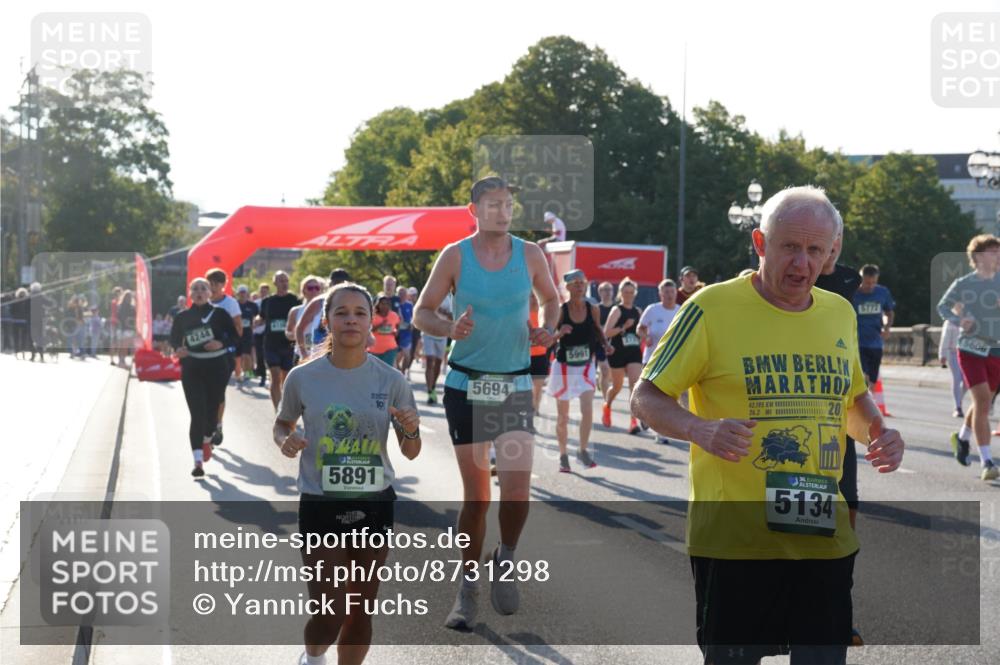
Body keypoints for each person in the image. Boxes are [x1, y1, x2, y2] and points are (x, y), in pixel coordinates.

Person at [632, 186, 904, 665]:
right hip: (735, 543)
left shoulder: (838, 313)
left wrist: (878, 434)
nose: (802, 262)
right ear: (760, 243)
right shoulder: (709, 310)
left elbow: (851, 398)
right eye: (789, 247)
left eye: (815, 250)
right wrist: (699, 429)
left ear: (831, 252)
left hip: (823, 535)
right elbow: (647, 396)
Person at [413, 175, 558, 630]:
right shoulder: (455, 255)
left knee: (517, 492)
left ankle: (507, 555)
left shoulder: (530, 254)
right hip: (467, 385)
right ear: (473, 209)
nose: (503, 210)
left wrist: (547, 329)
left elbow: (551, 300)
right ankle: (467, 586)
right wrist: (447, 328)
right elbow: (422, 312)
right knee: (476, 499)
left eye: (508, 203)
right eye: (493, 203)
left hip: (514, 384)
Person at [273, 282, 421, 665]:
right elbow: (282, 423)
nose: (351, 319)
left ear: (372, 321)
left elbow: (411, 450)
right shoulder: (303, 378)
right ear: (327, 321)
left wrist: (410, 427)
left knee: (359, 610)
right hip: (322, 501)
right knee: (330, 609)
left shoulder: (392, 381)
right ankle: (313, 657)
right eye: (342, 312)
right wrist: (285, 441)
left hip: (374, 502)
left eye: (359, 312)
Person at [938, 233, 1000, 481]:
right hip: (970, 348)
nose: (997, 256)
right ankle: (987, 461)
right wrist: (958, 320)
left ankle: (962, 437)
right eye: (992, 251)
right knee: (983, 400)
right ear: (977, 257)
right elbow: (943, 306)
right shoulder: (964, 283)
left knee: (982, 404)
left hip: (996, 350)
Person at [170, 278, 239, 478]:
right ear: (190, 294)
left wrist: (221, 343)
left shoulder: (220, 314)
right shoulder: (183, 316)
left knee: (211, 412)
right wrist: (178, 349)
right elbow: (174, 338)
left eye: (203, 288)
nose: (199, 292)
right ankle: (197, 461)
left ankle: (208, 438)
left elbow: (234, 336)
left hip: (217, 366)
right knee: (197, 414)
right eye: (195, 289)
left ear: (210, 292)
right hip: (192, 366)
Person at [547, 269, 613, 472]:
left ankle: (583, 450)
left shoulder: (592, 308)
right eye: (575, 283)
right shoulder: (560, 310)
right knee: (563, 417)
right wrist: (560, 333)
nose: (579, 286)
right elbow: (549, 338)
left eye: (582, 282)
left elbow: (597, 329)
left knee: (587, 411)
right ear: (567, 287)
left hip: (585, 367)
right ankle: (563, 455)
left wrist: (605, 345)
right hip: (564, 368)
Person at [637, 279, 680, 444]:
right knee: (649, 395)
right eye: (666, 292)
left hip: (672, 360)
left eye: (672, 292)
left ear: (676, 293)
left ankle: (661, 431)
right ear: (660, 294)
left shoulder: (680, 311)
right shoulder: (652, 310)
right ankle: (645, 415)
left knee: (666, 397)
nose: (669, 295)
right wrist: (645, 336)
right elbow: (640, 328)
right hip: (652, 359)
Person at [602, 277, 644, 434]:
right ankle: (607, 405)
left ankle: (633, 422)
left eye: (631, 292)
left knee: (634, 385)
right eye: (626, 292)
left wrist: (643, 334)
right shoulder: (617, 310)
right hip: (618, 351)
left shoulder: (638, 311)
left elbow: (640, 331)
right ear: (621, 293)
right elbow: (606, 332)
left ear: (635, 294)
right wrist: (623, 327)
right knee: (617, 386)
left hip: (633, 351)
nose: (628, 295)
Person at [206, 269, 243, 444]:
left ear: (223, 285)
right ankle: (207, 424)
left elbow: (239, 330)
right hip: (203, 355)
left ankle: (218, 425)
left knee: (218, 391)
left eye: (217, 283)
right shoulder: (201, 302)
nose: (213, 287)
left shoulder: (231, 304)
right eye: (210, 283)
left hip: (224, 355)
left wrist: (222, 342)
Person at [257, 271, 302, 409]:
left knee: (286, 378)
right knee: (275, 376)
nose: (284, 283)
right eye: (280, 280)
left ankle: (285, 406)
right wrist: (256, 321)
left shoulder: (295, 300)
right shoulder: (267, 301)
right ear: (275, 283)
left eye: (286, 280)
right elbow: (262, 318)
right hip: (271, 344)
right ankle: (278, 410)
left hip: (289, 344)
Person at [852, 264, 895, 387]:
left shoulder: (882, 292)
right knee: (862, 376)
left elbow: (889, 313)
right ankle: (862, 403)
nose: (870, 286)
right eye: (866, 283)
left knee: (873, 379)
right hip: (857, 342)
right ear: (861, 279)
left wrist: (887, 328)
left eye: (873, 283)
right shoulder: (853, 293)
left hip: (876, 342)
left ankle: (866, 400)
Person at [296, 268, 351, 354]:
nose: (339, 286)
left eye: (342, 283)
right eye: (336, 283)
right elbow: (300, 329)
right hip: (319, 354)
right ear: (330, 284)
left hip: (343, 353)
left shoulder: (352, 303)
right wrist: (304, 354)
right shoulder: (318, 302)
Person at [422, 290, 452, 405]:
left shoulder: (449, 299)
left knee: (438, 364)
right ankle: (430, 391)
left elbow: (452, 317)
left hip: (441, 335)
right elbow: (422, 311)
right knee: (430, 361)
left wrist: (443, 312)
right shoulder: (430, 294)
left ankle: (433, 386)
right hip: (428, 333)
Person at [287, 276, 325, 364]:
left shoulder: (325, 309)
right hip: (301, 353)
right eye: (310, 288)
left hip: (320, 354)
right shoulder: (295, 311)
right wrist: (296, 334)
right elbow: (288, 332)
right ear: (303, 290)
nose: (314, 291)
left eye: (317, 288)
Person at [938, 318, 966, 418]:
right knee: (957, 378)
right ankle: (957, 407)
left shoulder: (971, 317)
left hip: (966, 353)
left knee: (967, 381)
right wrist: (942, 354)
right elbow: (944, 338)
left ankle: (959, 400)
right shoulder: (950, 321)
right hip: (953, 353)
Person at [528, 293, 550, 411]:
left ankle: (535, 409)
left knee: (538, 387)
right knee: (529, 389)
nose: (534, 299)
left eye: (536, 296)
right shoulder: (522, 315)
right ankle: (530, 411)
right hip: (526, 358)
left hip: (541, 357)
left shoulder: (544, 315)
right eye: (532, 296)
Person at [236, 285, 259, 384]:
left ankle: (248, 374)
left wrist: (255, 322)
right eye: (240, 292)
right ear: (238, 294)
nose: (242, 294)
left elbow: (259, 316)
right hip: (236, 333)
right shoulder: (235, 304)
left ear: (247, 293)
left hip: (248, 333)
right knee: (237, 356)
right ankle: (238, 373)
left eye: (244, 292)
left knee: (247, 354)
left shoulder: (252, 305)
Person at [595, 281, 615, 399]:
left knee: (610, 374)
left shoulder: (616, 308)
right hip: (600, 344)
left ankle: (600, 379)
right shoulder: (596, 309)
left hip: (614, 343)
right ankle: (605, 400)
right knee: (605, 370)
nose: (607, 292)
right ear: (600, 292)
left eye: (609, 290)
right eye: (605, 290)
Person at [369, 296, 400, 366]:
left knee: (386, 370)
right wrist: (380, 325)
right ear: (378, 304)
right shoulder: (373, 316)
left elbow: (397, 326)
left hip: (390, 348)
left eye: (387, 304)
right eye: (382, 304)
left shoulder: (394, 315)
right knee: (375, 371)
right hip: (374, 349)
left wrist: (396, 332)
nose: (384, 306)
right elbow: (368, 330)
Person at [253, 283, 270, 388]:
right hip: (257, 332)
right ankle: (262, 376)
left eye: (265, 290)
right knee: (259, 355)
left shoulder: (271, 302)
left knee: (267, 355)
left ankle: (268, 376)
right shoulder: (256, 303)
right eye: (262, 290)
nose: (263, 292)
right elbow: (254, 317)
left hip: (268, 333)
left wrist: (264, 321)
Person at [394, 286, 414, 375]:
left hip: (406, 332)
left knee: (407, 355)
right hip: (395, 333)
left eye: (403, 293)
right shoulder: (394, 303)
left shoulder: (409, 305)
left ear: (406, 295)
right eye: (399, 293)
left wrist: (412, 324)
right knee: (395, 357)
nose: (401, 295)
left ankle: (402, 372)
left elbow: (413, 318)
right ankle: (398, 372)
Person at [116, 291, 136, 367]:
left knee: (123, 346)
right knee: (122, 345)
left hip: (126, 328)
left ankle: (122, 360)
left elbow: (134, 317)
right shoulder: (122, 306)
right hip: (123, 328)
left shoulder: (130, 307)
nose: (129, 298)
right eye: (128, 296)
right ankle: (121, 360)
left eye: (130, 297)